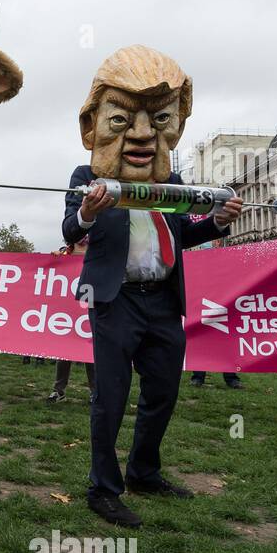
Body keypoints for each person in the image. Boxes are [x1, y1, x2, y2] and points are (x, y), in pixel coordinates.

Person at [61, 46, 242, 528]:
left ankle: (144, 471)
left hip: (164, 301)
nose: (142, 134)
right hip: (115, 301)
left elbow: (187, 233)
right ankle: (104, 487)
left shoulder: (173, 182)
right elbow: (69, 230)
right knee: (111, 397)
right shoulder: (87, 176)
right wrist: (88, 212)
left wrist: (218, 222)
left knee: (162, 393)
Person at [48, 237, 94, 402]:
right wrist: (56, 257)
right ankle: (58, 390)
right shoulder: (65, 252)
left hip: (87, 310)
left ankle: (94, 392)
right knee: (64, 353)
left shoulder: (96, 251)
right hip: (67, 312)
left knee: (90, 353)